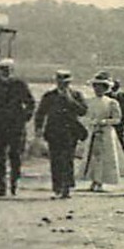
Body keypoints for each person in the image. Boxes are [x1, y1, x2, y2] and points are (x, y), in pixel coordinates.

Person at [0, 57, 35, 196]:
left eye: (8, 70)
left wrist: (25, 117)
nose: (5, 72)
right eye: (3, 70)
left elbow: (30, 103)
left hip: (16, 124)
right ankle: (1, 185)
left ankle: (14, 182)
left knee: (15, 155)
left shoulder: (20, 84)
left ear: (13, 70)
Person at [34, 70, 88, 199]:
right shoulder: (49, 96)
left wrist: (70, 100)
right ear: (56, 82)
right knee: (56, 160)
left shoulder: (76, 95)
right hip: (54, 132)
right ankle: (57, 186)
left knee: (68, 159)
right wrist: (38, 128)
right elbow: (40, 113)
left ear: (70, 82)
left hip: (70, 132)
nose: (63, 85)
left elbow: (83, 111)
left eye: (66, 82)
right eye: (60, 82)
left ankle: (67, 187)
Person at [80, 73, 124, 192]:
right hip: (93, 131)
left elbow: (118, 119)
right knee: (92, 156)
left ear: (106, 88)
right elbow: (85, 115)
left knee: (104, 157)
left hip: (106, 132)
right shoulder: (89, 101)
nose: (97, 89)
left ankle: (100, 181)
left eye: (101, 87)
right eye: (95, 87)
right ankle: (92, 180)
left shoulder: (111, 102)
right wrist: (90, 122)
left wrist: (105, 122)